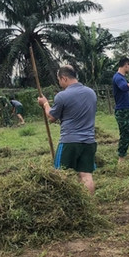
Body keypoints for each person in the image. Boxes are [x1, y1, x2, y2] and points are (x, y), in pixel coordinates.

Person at [38, 65, 98, 194]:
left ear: (64, 78)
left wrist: (45, 104)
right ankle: (89, 206)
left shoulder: (62, 96)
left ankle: (63, 206)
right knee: (86, 176)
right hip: (89, 141)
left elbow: (52, 117)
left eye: (59, 80)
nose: (59, 84)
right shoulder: (91, 93)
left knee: (59, 175)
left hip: (69, 142)